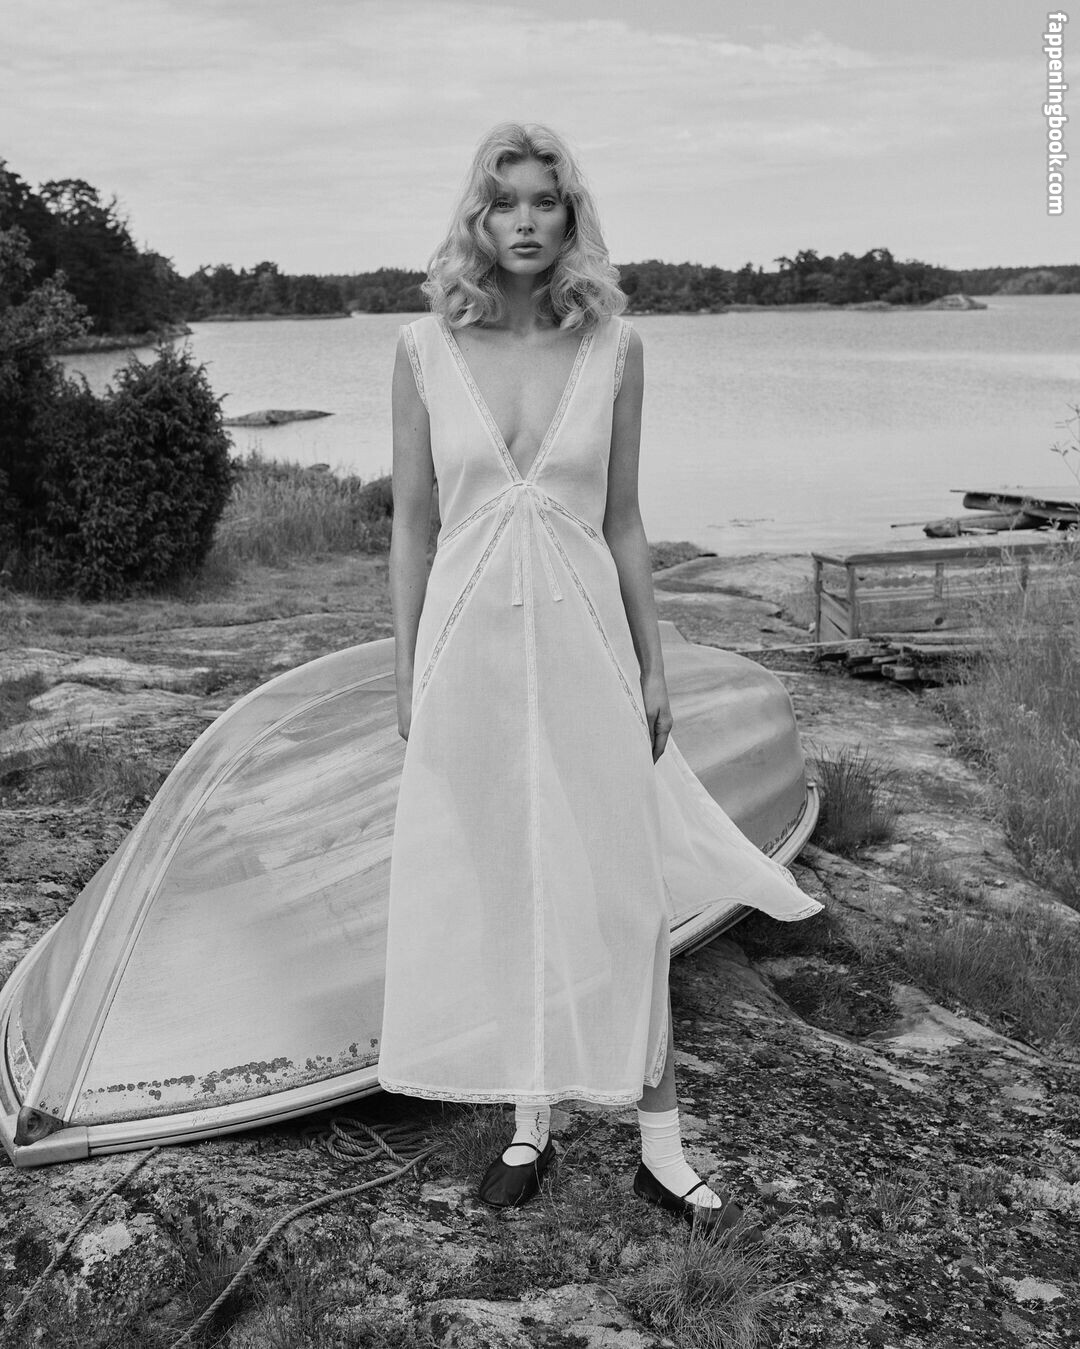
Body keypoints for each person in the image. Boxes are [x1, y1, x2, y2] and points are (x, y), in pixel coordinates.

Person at [377, 123, 822, 1230]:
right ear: (477, 218)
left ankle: (660, 1146)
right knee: (504, 882)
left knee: (623, 888)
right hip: (468, 653)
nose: (524, 221)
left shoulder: (618, 346)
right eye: (504, 202)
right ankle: (531, 1118)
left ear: (571, 216)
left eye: (545, 200)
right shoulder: (422, 348)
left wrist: (654, 664)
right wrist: (408, 670)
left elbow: (623, 519)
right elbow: (413, 529)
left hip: (589, 648)